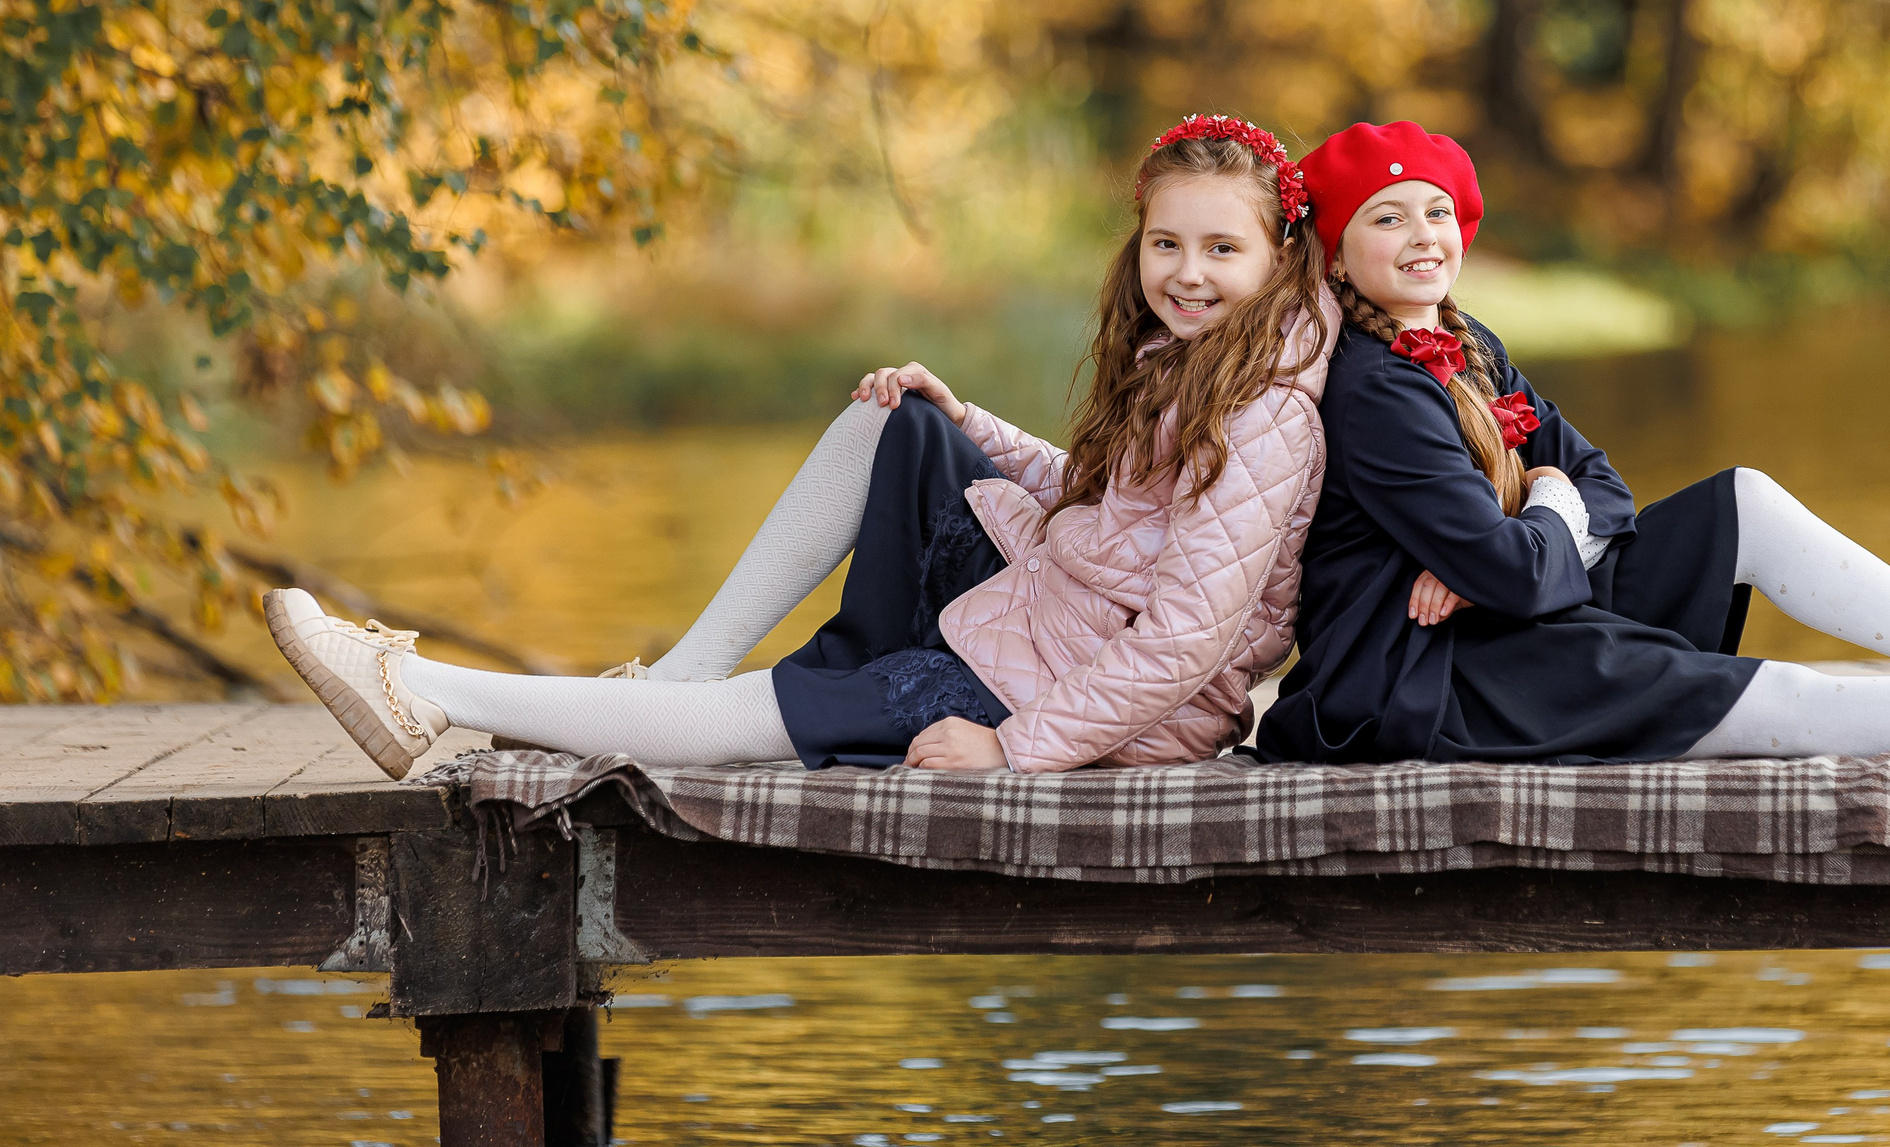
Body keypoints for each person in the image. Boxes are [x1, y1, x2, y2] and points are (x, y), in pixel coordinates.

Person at [266, 116, 1340, 778]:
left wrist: (1013, 748)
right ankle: (680, 675)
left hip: (1102, 704)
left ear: (1278, 255)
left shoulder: (1267, 411)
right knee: (895, 417)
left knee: (764, 717)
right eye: (1166, 242)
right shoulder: (1192, 359)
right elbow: (1113, 515)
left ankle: (423, 692)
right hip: (1056, 614)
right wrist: (969, 423)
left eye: (1221, 248)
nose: (1187, 271)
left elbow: (1184, 644)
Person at [1256, 119, 1890, 768]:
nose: (1423, 235)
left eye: (1437, 211)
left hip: (1505, 617)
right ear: (1336, 253)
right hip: (1425, 683)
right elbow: (1525, 552)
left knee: (1743, 502)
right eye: (1388, 219)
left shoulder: (1464, 341)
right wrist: (1537, 513)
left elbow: (1602, 486)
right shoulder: (1376, 390)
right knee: (1766, 696)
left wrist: (1521, 538)